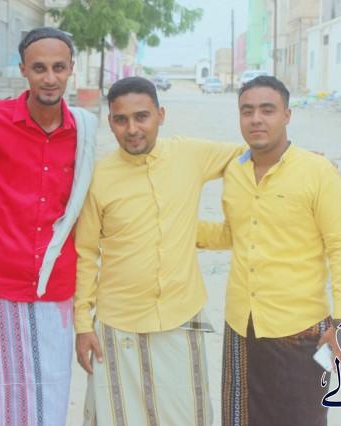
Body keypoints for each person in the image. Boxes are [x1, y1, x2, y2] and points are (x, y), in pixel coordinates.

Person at [74, 76, 243, 425]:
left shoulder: (189, 155)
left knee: (188, 418)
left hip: (180, 317)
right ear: (111, 122)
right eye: (121, 120)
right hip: (118, 324)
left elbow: (249, 156)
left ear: (160, 115)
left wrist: (303, 164)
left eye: (142, 117)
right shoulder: (98, 176)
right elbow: (85, 253)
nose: (132, 129)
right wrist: (82, 325)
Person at [0, 27, 97, 425]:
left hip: (55, 290)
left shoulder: (84, 131)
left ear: (71, 69)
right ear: (23, 70)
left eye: (58, 68)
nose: (49, 78)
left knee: (49, 399)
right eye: (39, 68)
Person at [196, 76, 341, 426]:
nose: (256, 119)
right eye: (247, 111)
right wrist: (178, 229)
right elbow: (234, 233)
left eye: (267, 110)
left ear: (287, 114)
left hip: (300, 332)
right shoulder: (235, 172)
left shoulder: (317, 172)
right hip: (242, 327)